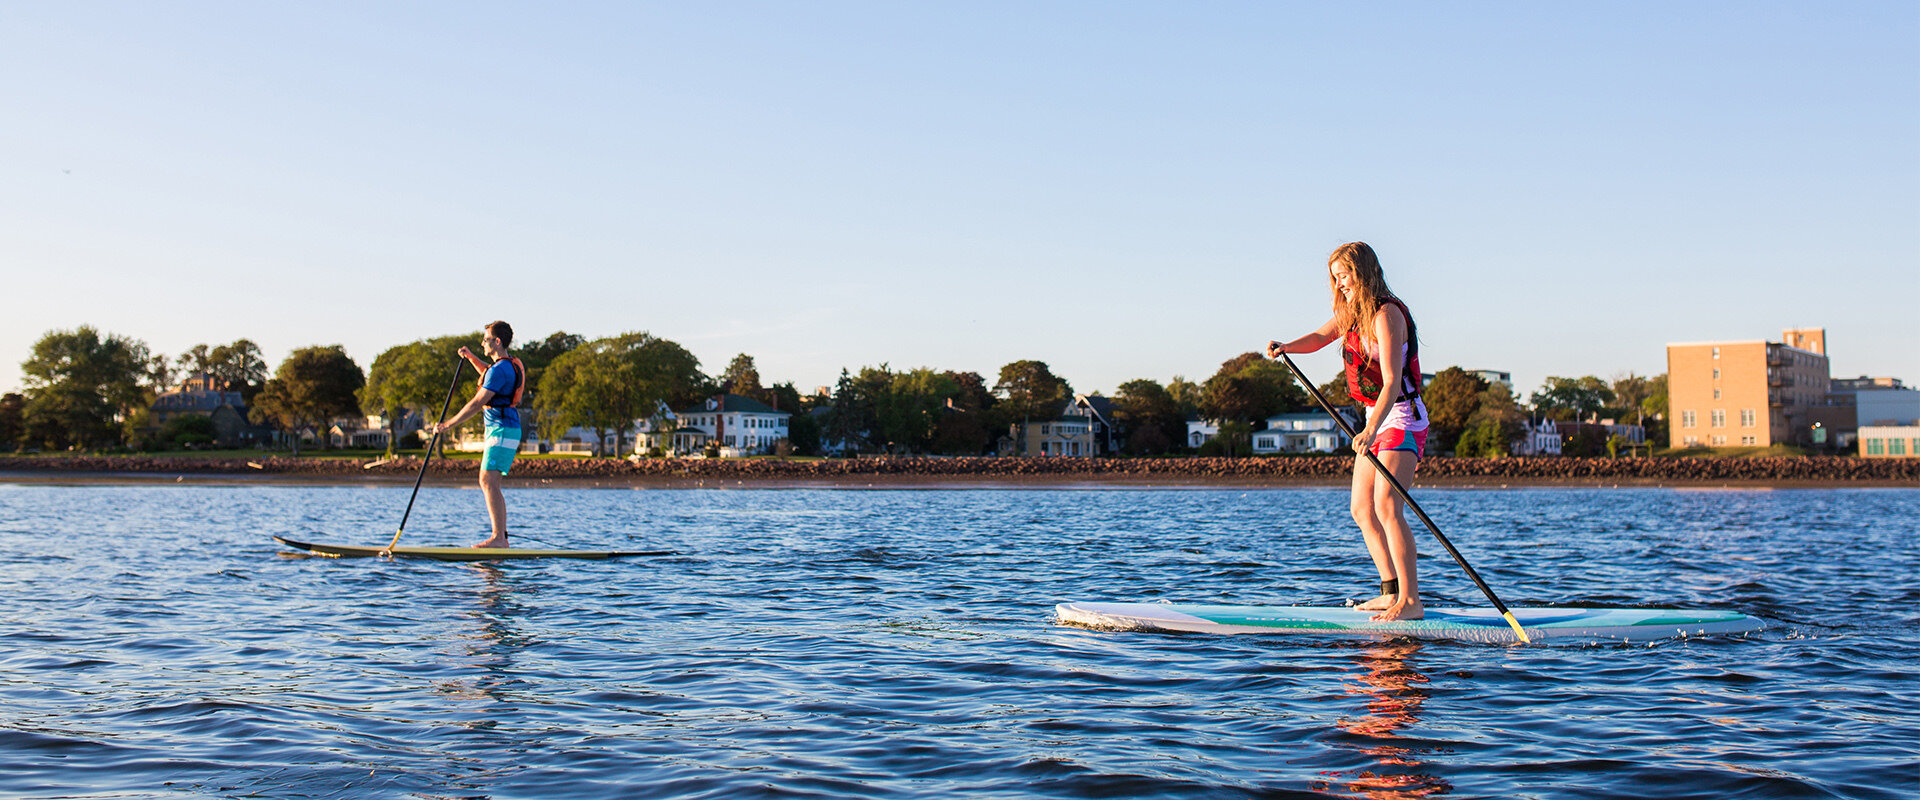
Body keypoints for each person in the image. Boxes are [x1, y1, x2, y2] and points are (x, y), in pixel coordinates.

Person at [1266, 242, 1429, 620]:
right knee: (1361, 510)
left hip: (1401, 417)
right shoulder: (1352, 314)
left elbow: (1390, 382)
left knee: (1388, 506)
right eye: (1335, 278)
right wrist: (1287, 346)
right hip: (1376, 419)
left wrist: (1371, 429)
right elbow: (1321, 338)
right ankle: (1390, 593)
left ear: (1365, 272)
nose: (1340, 284)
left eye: (1346, 275)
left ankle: (1411, 601)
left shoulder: (1386, 315)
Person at [425, 321, 526, 548]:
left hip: (502, 429)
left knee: (488, 480)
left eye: (485, 339)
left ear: (497, 342)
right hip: (502, 429)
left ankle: (499, 539)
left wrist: (448, 425)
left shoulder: (501, 369)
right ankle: (500, 537)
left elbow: (477, 402)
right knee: (490, 481)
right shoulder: (502, 367)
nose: (482, 343)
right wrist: (471, 357)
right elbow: (487, 374)